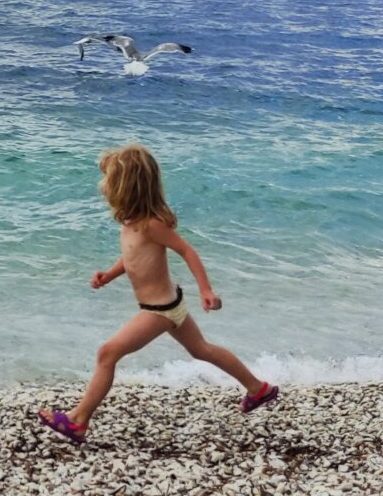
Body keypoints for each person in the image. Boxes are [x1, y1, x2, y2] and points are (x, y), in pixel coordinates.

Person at [39, 144, 279, 443]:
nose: (104, 188)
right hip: (170, 305)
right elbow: (134, 259)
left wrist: (206, 289)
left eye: (109, 182)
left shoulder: (151, 225)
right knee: (201, 350)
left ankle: (77, 421)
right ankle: (258, 388)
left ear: (126, 187)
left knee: (107, 354)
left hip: (159, 311)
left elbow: (186, 251)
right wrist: (110, 275)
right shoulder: (131, 222)